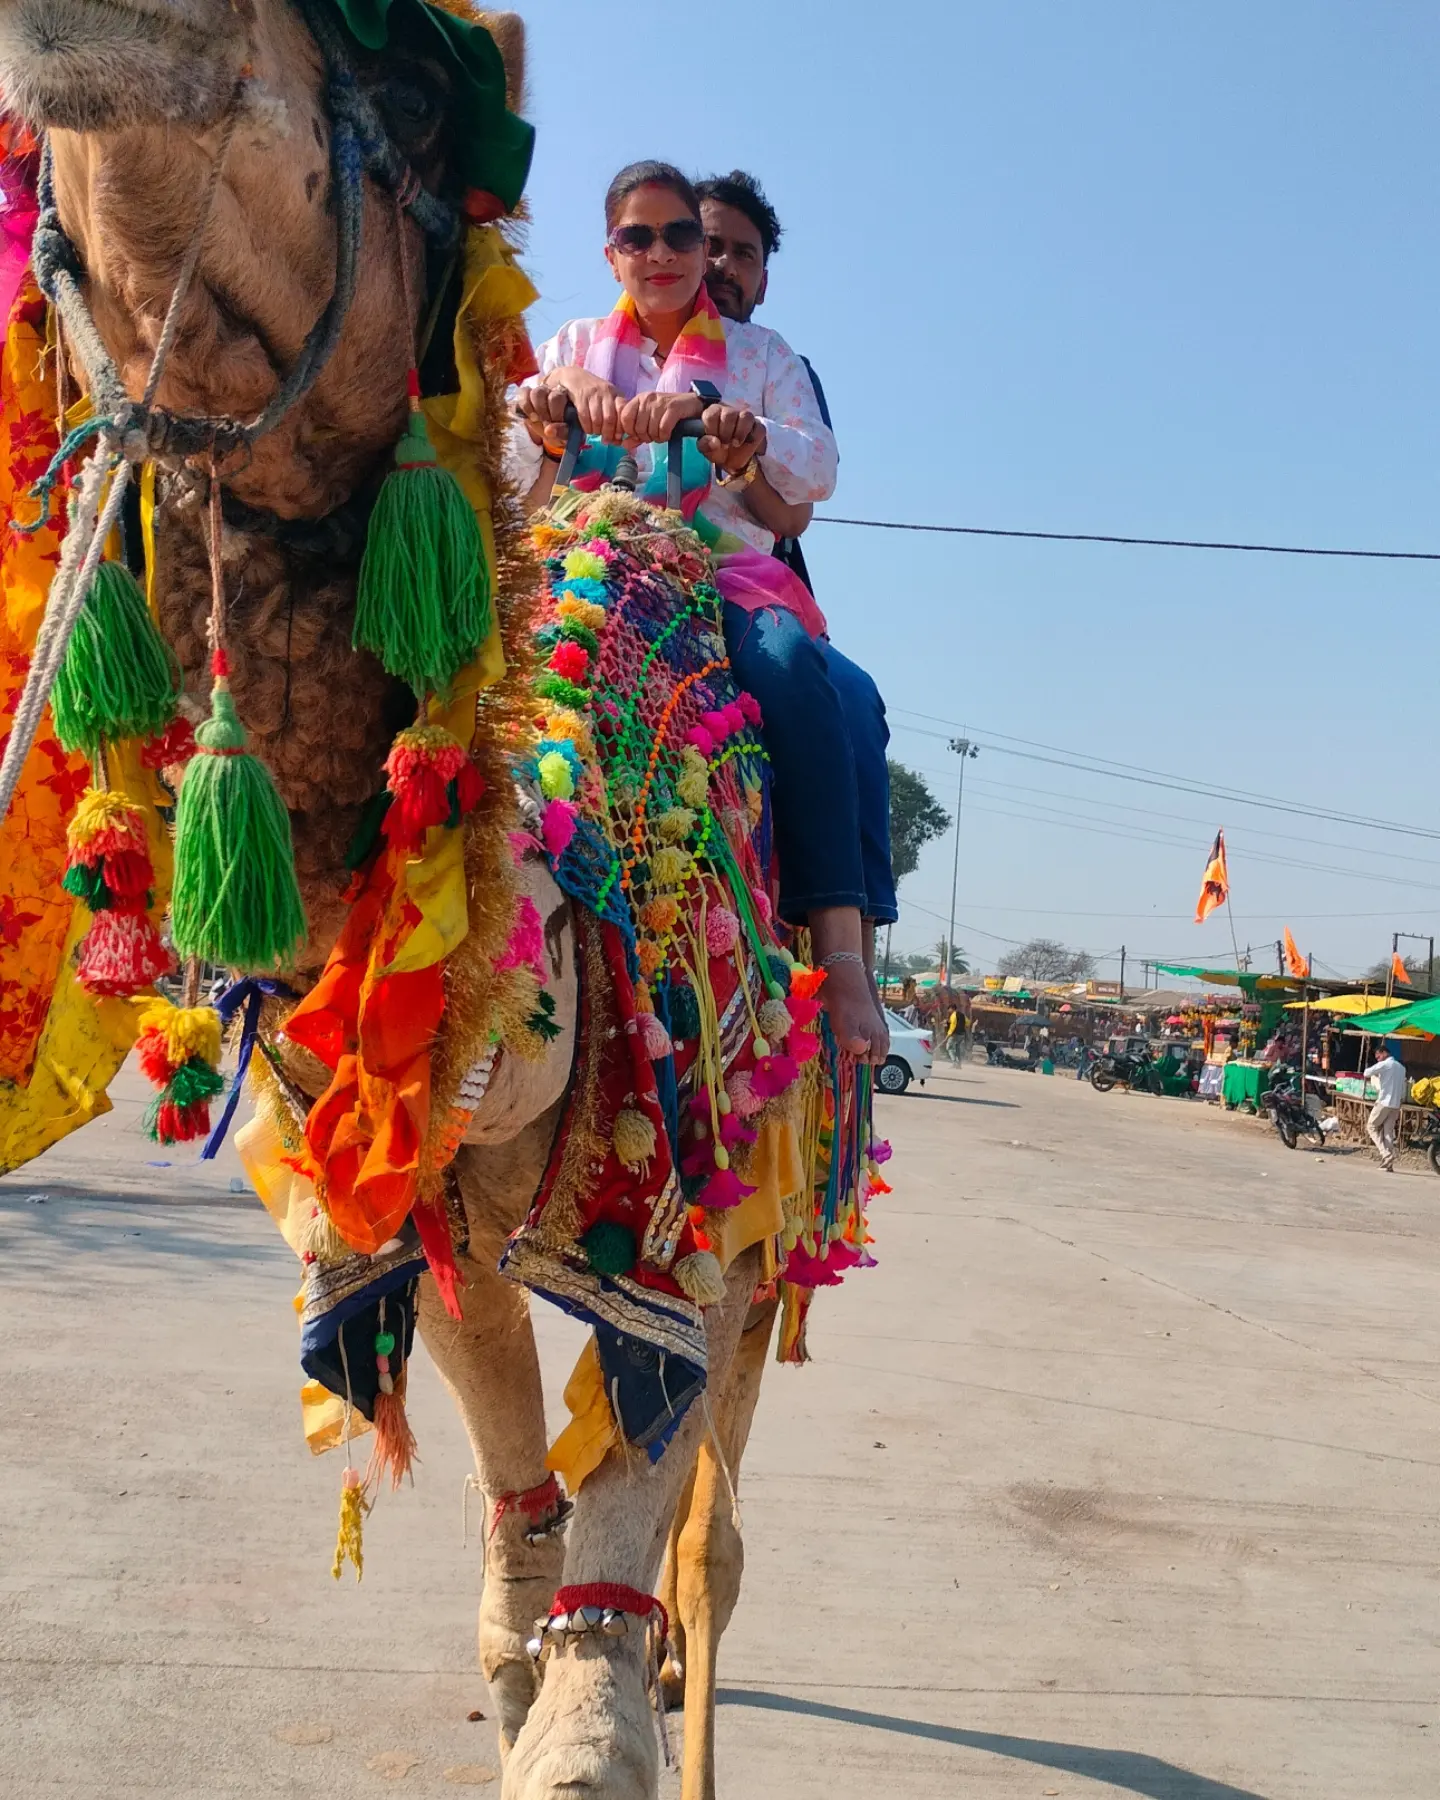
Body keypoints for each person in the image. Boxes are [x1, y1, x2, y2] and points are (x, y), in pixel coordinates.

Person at [509, 161, 885, 1058]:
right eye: (641, 237)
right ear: (611, 254)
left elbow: (812, 470)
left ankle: (841, 956)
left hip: (718, 579)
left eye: (681, 234)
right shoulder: (568, 347)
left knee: (800, 674)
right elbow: (510, 478)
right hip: (581, 564)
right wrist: (548, 418)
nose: (668, 253)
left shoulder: (762, 359)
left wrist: (735, 431)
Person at [695, 168, 898, 1032]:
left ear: (765, 275)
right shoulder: (598, 347)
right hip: (604, 562)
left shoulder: (773, 363)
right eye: (705, 242)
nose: (723, 263)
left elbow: (793, 513)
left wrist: (741, 456)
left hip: (742, 582)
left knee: (846, 696)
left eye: (744, 252)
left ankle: (847, 945)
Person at [1365, 1042, 1407, 1172]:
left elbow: (1366, 1073)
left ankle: (1385, 1154)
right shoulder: (1401, 1068)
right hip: (1396, 1104)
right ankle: (1388, 1164)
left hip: (1384, 1102)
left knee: (1371, 1127)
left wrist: (1377, 1070)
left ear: (1384, 1053)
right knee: (1388, 1133)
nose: (1378, 1059)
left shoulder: (1385, 1064)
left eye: (1378, 1056)